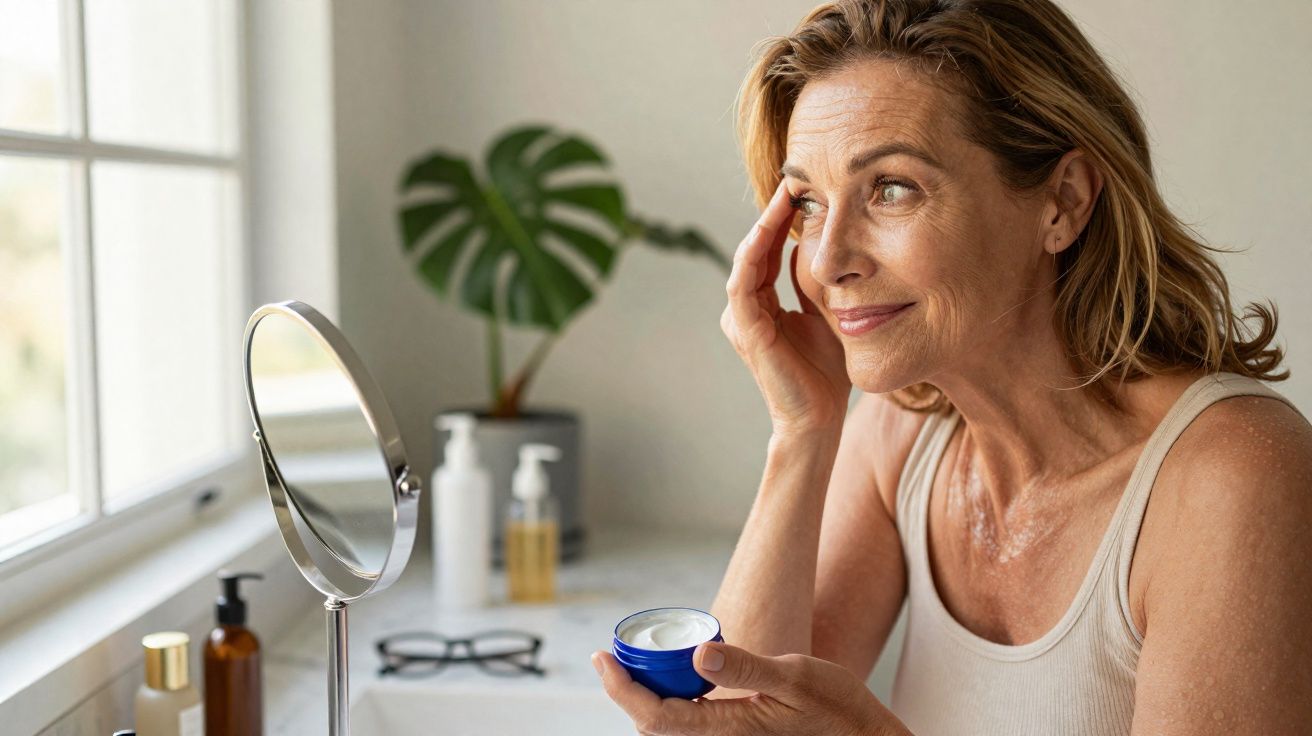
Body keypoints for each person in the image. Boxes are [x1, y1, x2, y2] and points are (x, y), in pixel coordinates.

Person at [591, 0, 1312, 734]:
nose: (827, 261)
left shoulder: (1234, 476)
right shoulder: (904, 438)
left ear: (1061, 202)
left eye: (892, 188)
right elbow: (737, 723)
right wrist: (802, 430)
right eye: (808, 202)